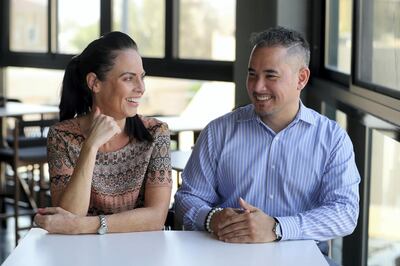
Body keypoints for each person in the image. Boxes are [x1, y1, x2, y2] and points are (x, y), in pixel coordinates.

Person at [174, 26, 360, 262]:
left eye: (270, 76)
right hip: (226, 257)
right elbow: (186, 197)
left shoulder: (332, 139)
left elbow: (345, 213)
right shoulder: (218, 131)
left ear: (301, 78)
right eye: (252, 74)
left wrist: (277, 227)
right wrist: (212, 218)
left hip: (301, 259)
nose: (257, 86)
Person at [34, 31, 172, 235]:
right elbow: (68, 214)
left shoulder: (156, 133)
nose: (141, 88)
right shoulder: (62, 136)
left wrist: (85, 225)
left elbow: (156, 217)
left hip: (142, 252)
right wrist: (90, 147)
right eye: (128, 78)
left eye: (142, 77)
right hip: (82, 255)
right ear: (94, 83)